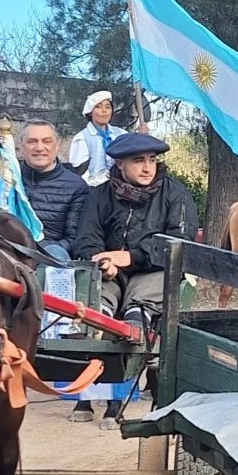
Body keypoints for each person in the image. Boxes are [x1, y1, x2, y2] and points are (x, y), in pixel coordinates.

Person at [72, 132, 198, 428]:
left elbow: (179, 242)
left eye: (152, 160)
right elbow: (85, 239)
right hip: (109, 272)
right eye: (138, 160)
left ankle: (134, 340)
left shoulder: (176, 194)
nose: (147, 167)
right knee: (96, 304)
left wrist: (130, 257)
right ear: (119, 164)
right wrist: (101, 261)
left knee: (138, 309)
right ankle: (91, 362)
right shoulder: (99, 195)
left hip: (154, 270)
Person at [19, 119, 89, 260]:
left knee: (56, 254)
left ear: (56, 146)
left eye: (46, 141)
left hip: (48, 255)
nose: (39, 148)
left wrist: (37, 252)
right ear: (21, 147)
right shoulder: (6, 177)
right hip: (4, 251)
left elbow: (73, 239)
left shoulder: (76, 186)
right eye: (32, 141)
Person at [68, 91, 128, 187]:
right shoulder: (82, 138)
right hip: (93, 190)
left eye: (108, 107)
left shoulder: (122, 134)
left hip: (121, 188)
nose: (104, 111)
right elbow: (79, 170)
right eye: (98, 106)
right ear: (90, 112)